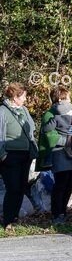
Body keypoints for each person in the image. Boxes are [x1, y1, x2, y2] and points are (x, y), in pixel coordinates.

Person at [0, 83, 37, 231]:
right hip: (10, 155)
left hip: (25, 155)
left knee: (21, 188)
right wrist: (2, 155)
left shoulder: (24, 110)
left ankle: (14, 218)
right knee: (13, 188)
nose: (25, 99)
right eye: (23, 96)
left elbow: (31, 129)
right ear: (15, 97)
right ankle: (7, 220)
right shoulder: (2, 111)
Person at [39, 86, 72, 225]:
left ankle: (63, 212)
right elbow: (49, 135)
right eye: (67, 97)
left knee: (70, 183)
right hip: (59, 153)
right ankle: (57, 214)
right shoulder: (50, 114)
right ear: (60, 98)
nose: (69, 100)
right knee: (61, 184)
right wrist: (69, 142)